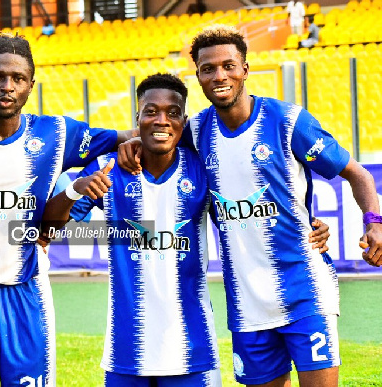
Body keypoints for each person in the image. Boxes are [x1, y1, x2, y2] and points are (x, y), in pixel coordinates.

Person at [119, 24, 378, 386]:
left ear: (245, 69)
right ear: (198, 76)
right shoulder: (195, 133)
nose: (219, 75)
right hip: (245, 303)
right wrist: (126, 144)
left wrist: (374, 221)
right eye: (208, 69)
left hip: (305, 291)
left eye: (228, 65)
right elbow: (154, 133)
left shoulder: (289, 122)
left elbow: (358, 174)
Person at [0, 33, 136, 386]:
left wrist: (145, 142)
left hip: (27, 295)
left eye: (18, 78)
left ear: (31, 86)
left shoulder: (58, 134)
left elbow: (127, 137)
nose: (7, 86)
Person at [41, 73, 222, 386]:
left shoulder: (204, 168)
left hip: (192, 350)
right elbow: (45, 231)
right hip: (127, 353)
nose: (161, 121)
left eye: (172, 113)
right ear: (137, 118)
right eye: (151, 112)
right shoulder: (108, 169)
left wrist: (310, 227)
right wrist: (75, 190)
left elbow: (244, 221)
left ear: (184, 121)